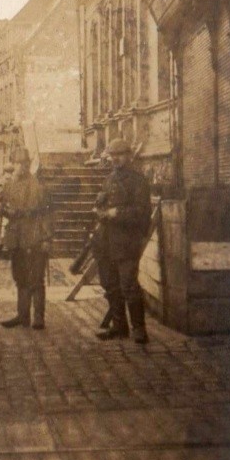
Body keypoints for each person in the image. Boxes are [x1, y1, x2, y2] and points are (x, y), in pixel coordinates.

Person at [92, 137, 152, 344]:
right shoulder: (109, 180)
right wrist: (99, 210)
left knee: (129, 286)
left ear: (129, 156)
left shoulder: (138, 181)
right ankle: (119, 326)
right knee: (110, 285)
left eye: (120, 155)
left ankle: (139, 328)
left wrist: (116, 213)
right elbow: (101, 206)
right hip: (106, 242)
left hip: (126, 243)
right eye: (112, 155)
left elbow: (142, 213)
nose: (115, 159)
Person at [0, 150, 53, 331]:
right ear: (13, 164)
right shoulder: (8, 185)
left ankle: (38, 317)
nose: (20, 167)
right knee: (20, 277)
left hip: (34, 235)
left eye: (23, 163)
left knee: (35, 278)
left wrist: (46, 238)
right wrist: (0, 208)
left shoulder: (38, 186)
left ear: (28, 165)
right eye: (17, 163)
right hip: (16, 237)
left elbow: (47, 214)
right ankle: (22, 315)